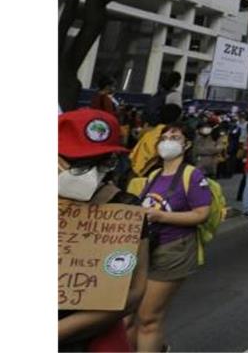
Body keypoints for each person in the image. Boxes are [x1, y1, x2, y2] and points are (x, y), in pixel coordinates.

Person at [59, 109, 150, 353]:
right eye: (77, 163)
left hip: (90, 340)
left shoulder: (124, 208)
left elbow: (134, 292)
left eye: (101, 162)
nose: (89, 172)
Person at [135, 122, 213, 353]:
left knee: (148, 317)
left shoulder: (192, 175)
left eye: (175, 137)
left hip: (173, 249)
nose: (168, 141)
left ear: (186, 144)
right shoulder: (154, 174)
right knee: (132, 316)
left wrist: (161, 216)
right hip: (146, 249)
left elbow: (201, 215)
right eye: (165, 137)